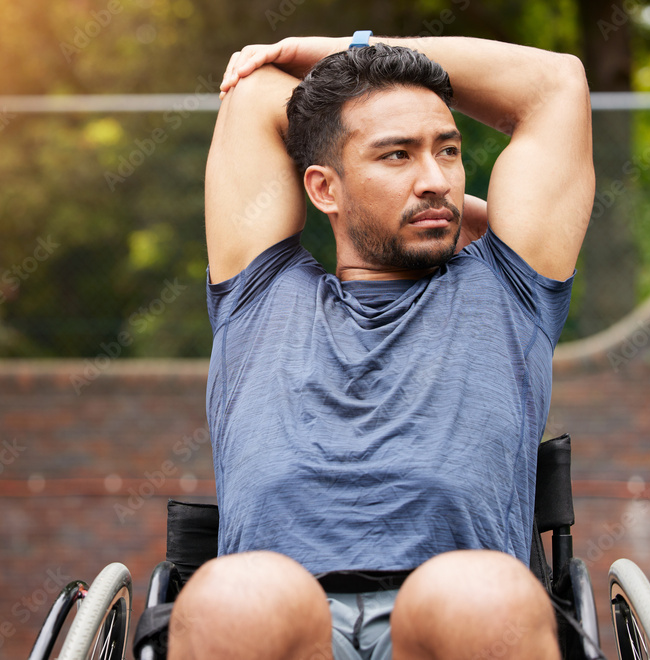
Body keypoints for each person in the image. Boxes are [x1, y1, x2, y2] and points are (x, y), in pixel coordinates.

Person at [169, 33, 594, 660]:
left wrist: (349, 48)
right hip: (278, 625)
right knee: (239, 595)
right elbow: (257, 91)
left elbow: (555, 84)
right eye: (396, 155)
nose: (435, 180)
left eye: (447, 152)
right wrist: (356, 82)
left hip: (459, 621)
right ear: (323, 188)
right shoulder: (259, 289)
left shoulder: (511, 284)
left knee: (473, 591)